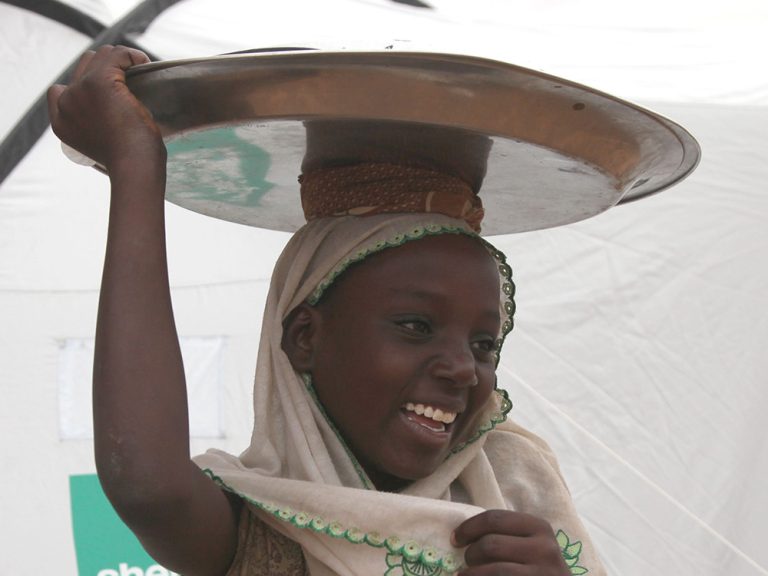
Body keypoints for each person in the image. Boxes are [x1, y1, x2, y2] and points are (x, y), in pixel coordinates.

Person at [48, 45, 606, 576]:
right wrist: (136, 162)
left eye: (484, 344)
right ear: (305, 338)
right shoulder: (258, 532)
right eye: (416, 326)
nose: (463, 369)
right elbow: (149, 486)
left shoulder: (518, 511)